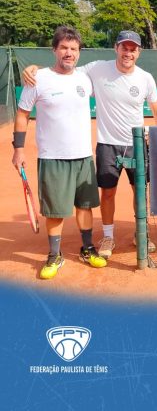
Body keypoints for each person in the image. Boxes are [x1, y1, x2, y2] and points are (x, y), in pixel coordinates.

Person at [23, 30, 157, 260]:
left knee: (139, 191)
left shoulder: (146, 78)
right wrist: (35, 69)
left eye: (133, 49)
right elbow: (63, 69)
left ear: (139, 52)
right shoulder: (97, 68)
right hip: (107, 145)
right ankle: (108, 237)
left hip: (137, 144)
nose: (128, 53)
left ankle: (141, 233)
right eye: (124, 47)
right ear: (116, 48)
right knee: (107, 193)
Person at [12, 26, 107, 279]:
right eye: (63, 47)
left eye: (73, 49)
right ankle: (55, 255)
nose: (69, 53)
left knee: (85, 207)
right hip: (52, 157)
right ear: (54, 50)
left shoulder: (85, 79)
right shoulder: (38, 79)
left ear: (79, 53)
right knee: (55, 211)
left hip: (83, 156)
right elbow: (22, 114)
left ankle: (87, 248)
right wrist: (18, 149)